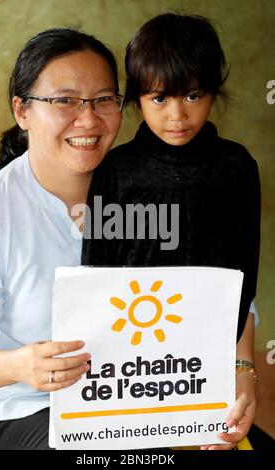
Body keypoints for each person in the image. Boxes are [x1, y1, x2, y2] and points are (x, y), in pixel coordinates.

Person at [81, 13, 261, 450]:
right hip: (129, 371)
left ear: (213, 93)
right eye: (159, 99)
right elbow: (97, 279)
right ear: (137, 98)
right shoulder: (116, 173)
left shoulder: (236, 168)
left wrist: (241, 372)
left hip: (207, 366)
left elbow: (243, 279)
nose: (178, 115)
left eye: (193, 96)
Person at [0, 27, 122, 450]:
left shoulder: (145, 191)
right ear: (22, 111)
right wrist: (21, 366)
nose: (89, 118)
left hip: (127, 403)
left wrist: (241, 372)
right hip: (17, 408)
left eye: (104, 100)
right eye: (65, 101)